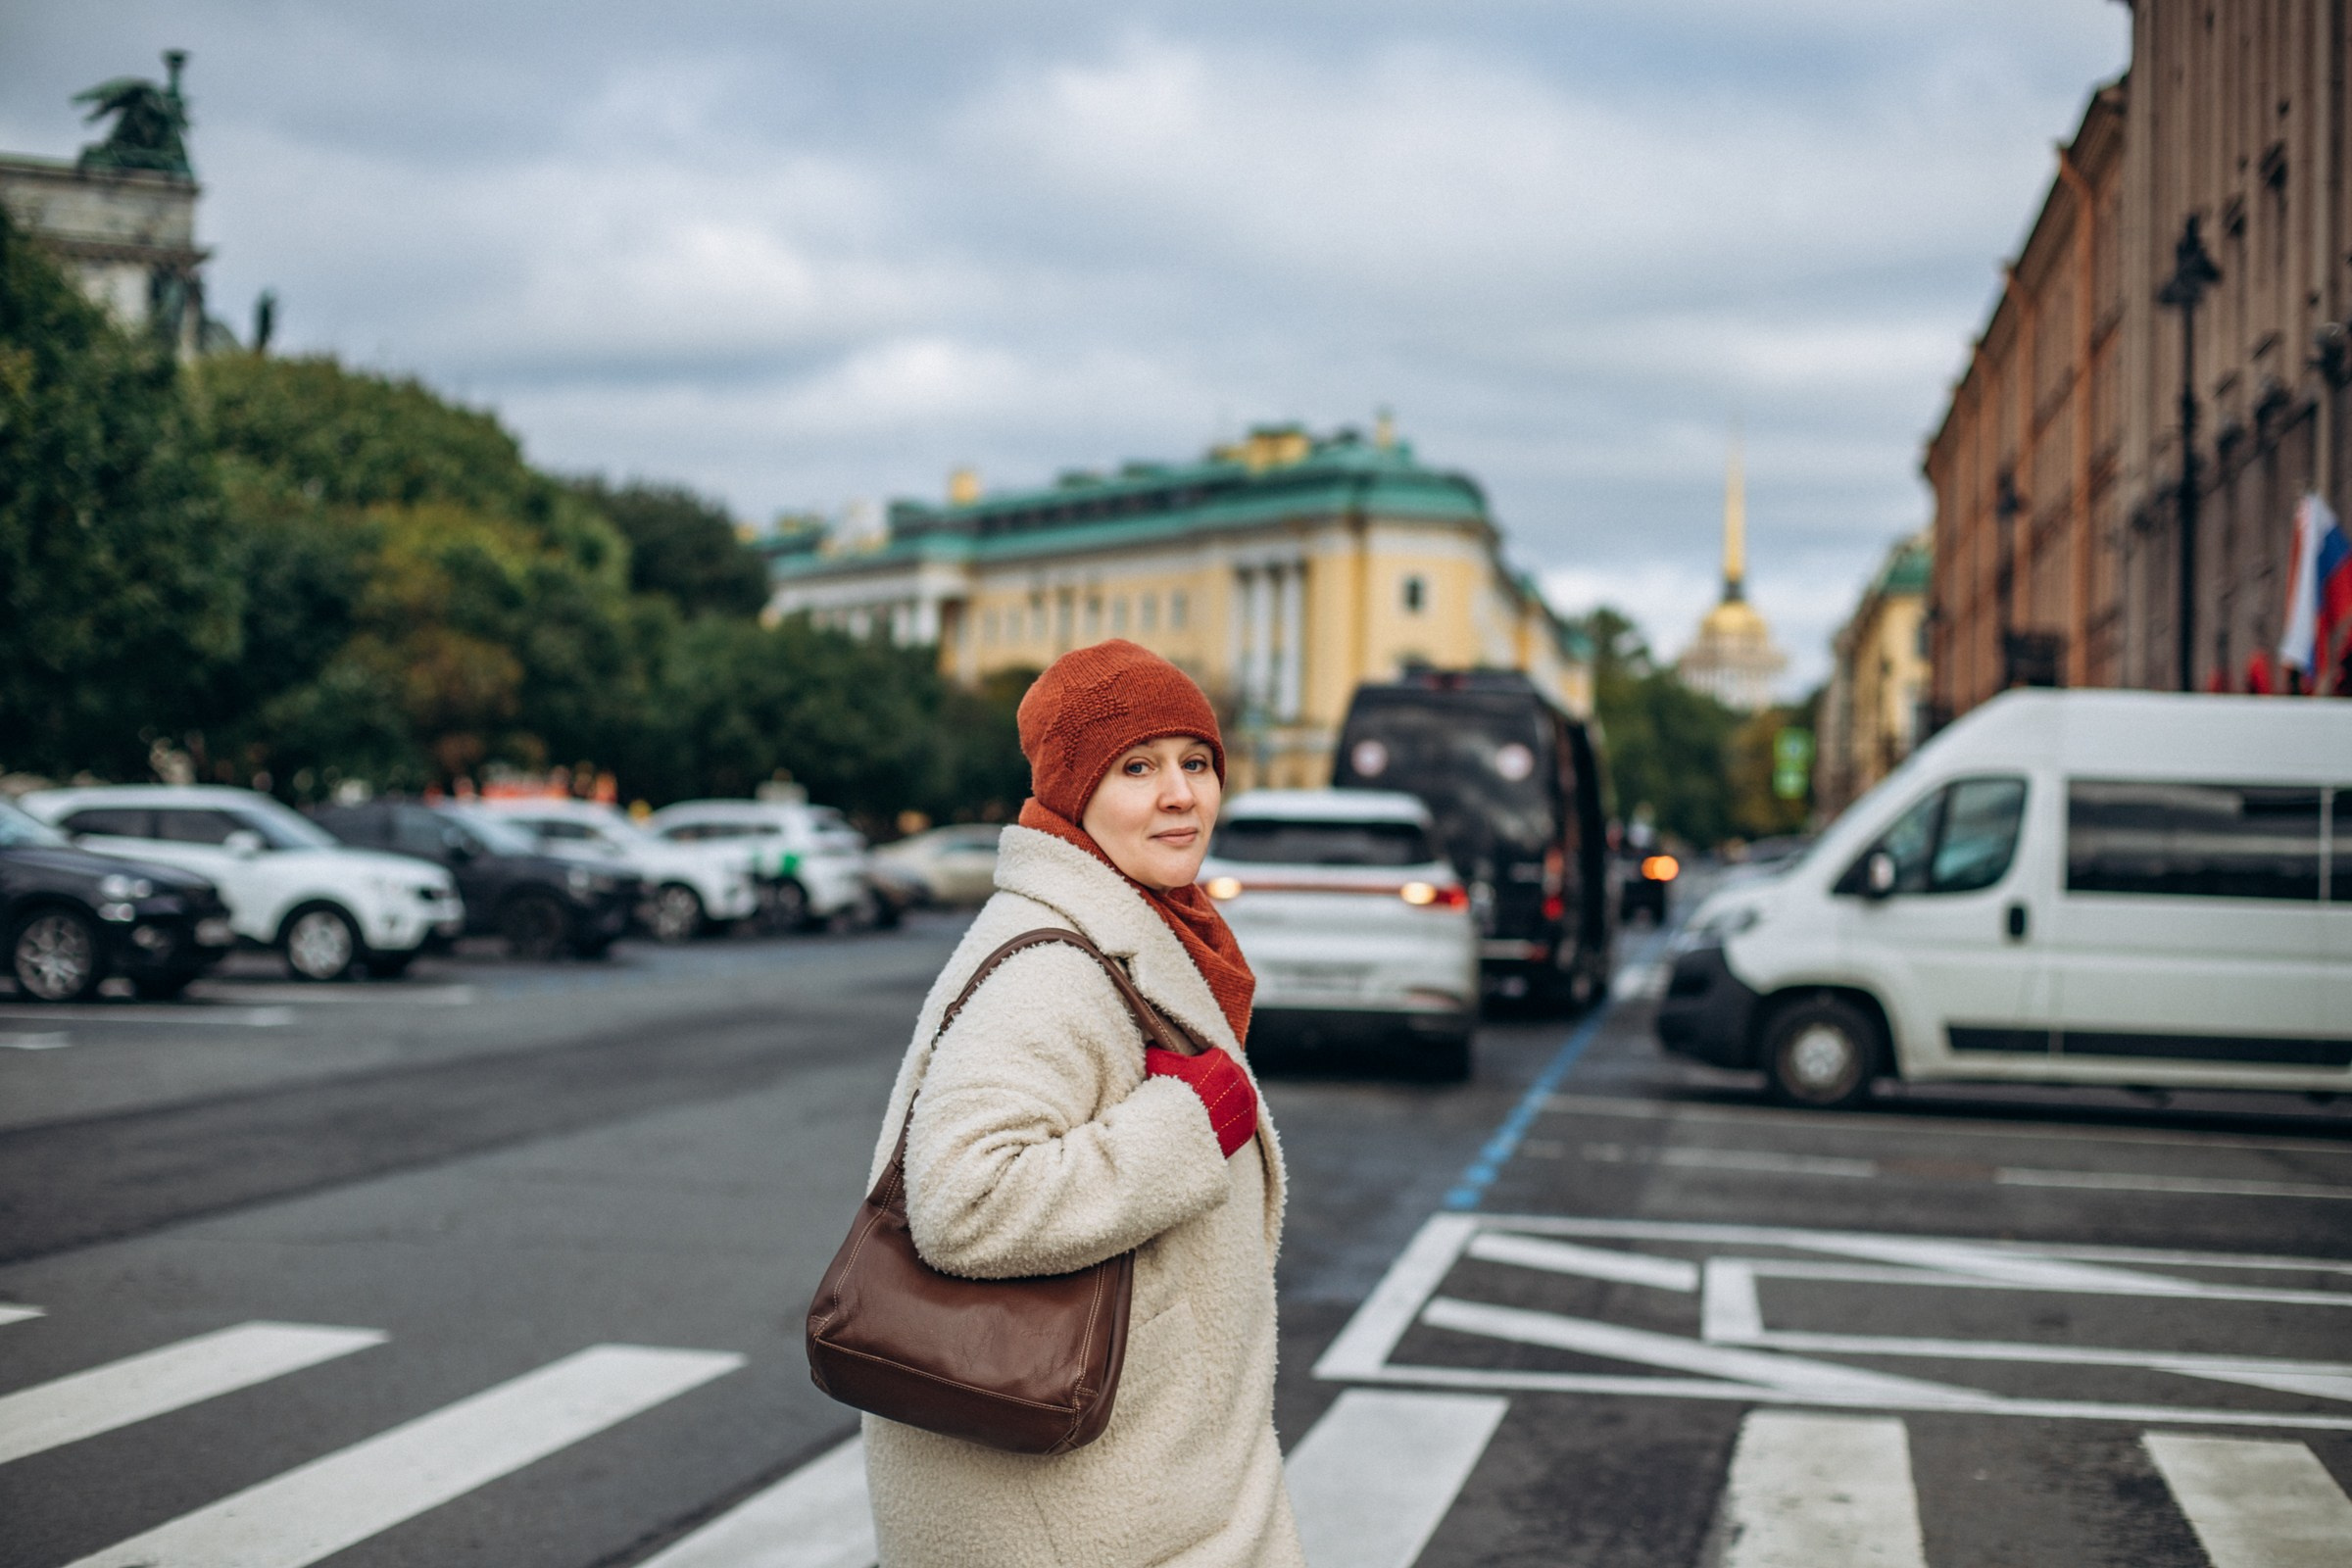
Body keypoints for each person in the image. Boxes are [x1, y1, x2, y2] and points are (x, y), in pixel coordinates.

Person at [860, 639, 1303, 1567]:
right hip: (1087, 1516)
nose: (1180, 794)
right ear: (1073, 791)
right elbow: (964, 1202)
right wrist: (1189, 1126)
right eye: (1136, 767)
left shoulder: (1135, 927)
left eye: (1196, 763)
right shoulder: (1058, 966)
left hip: (1131, 1481)